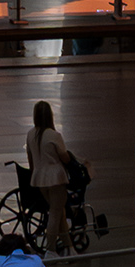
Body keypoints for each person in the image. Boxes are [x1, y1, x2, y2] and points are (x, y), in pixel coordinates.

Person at [25, 97, 77, 255]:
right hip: (56, 179)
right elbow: (65, 157)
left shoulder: (30, 134)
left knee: (59, 212)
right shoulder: (54, 135)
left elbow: (30, 159)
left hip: (39, 179)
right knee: (55, 213)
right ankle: (51, 249)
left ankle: (70, 248)